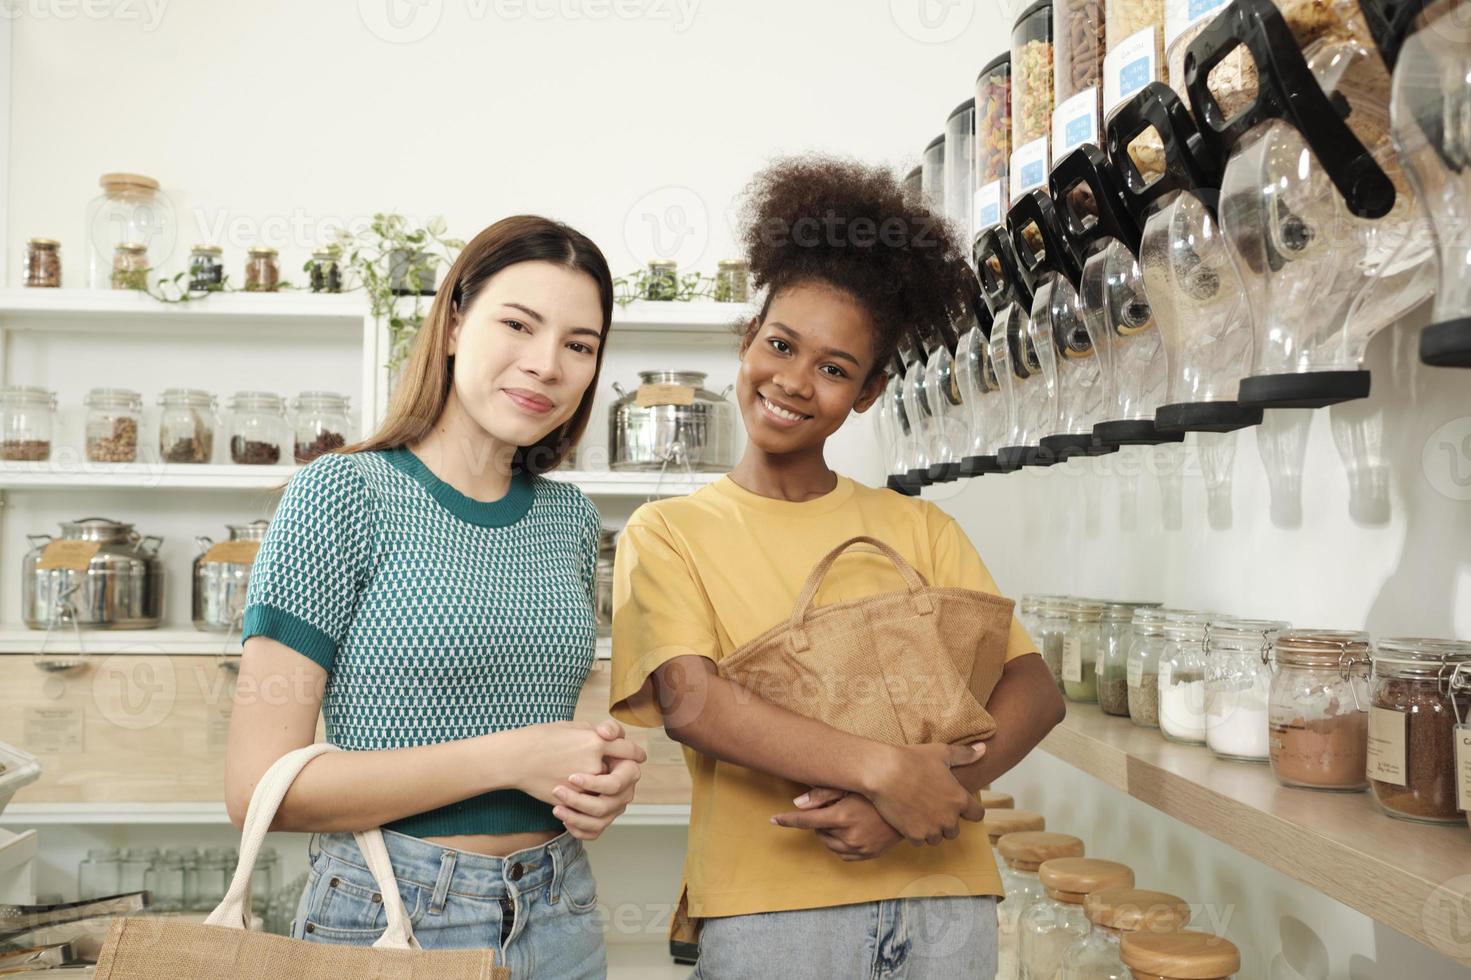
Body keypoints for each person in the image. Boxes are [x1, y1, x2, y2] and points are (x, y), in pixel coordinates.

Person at [611, 157, 1066, 979]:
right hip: (767, 914)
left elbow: (1033, 690)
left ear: (866, 392)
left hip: (944, 896)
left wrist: (912, 805)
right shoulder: (668, 531)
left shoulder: (916, 525)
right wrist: (886, 771)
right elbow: (693, 703)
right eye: (780, 345)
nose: (793, 382)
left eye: (832, 368)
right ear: (747, 339)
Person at [225, 214, 644, 978]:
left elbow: (532, 731)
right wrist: (515, 757)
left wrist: (592, 779)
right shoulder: (342, 494)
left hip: (559, 910)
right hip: (393, 912)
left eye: (579, 345)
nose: (546, 364)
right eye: (518, 324)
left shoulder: (571, 519)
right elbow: (261, 791)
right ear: (453, 324)